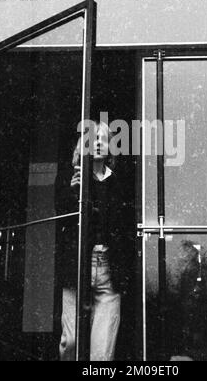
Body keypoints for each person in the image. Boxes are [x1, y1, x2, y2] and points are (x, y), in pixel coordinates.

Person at [56, 119, 127, 361]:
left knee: (102, 354)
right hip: (78, 266)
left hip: (107, 268)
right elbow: (62, 222)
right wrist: (71, 193)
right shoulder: (73, 179)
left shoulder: (118, 183)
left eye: (102, 138)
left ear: (110, 147)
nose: (97, 143)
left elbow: (123, 227)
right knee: (71, 342)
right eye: (92, 139)